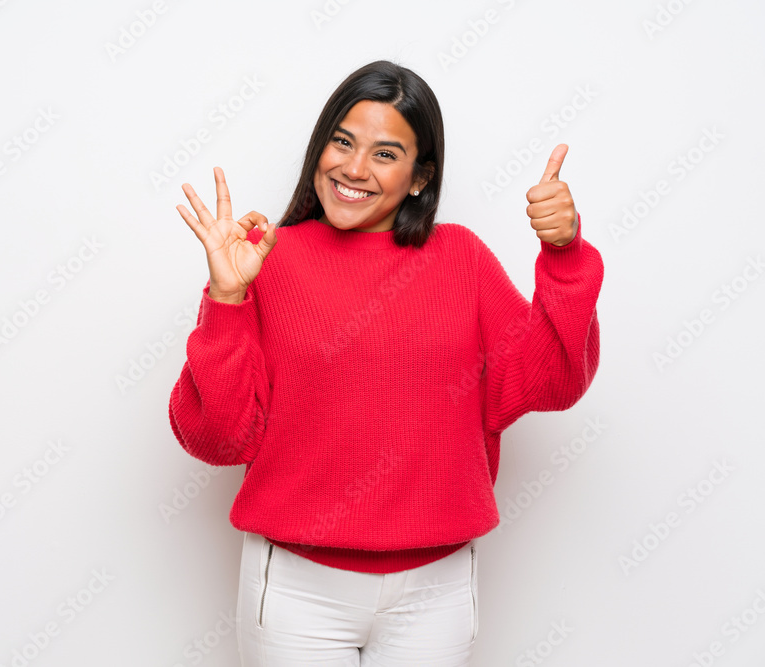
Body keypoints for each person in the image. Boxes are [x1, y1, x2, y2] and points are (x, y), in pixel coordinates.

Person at [167, 59, 603, 666]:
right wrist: (227, 298)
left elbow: (553, 379)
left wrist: (564, 252)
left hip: (437, 590)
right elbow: (218, 438)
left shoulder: (463, 259)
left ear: (421, 176)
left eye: (385, 153)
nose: (353, 169)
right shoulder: (265, 259)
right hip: (296, 588)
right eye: (342, 142)